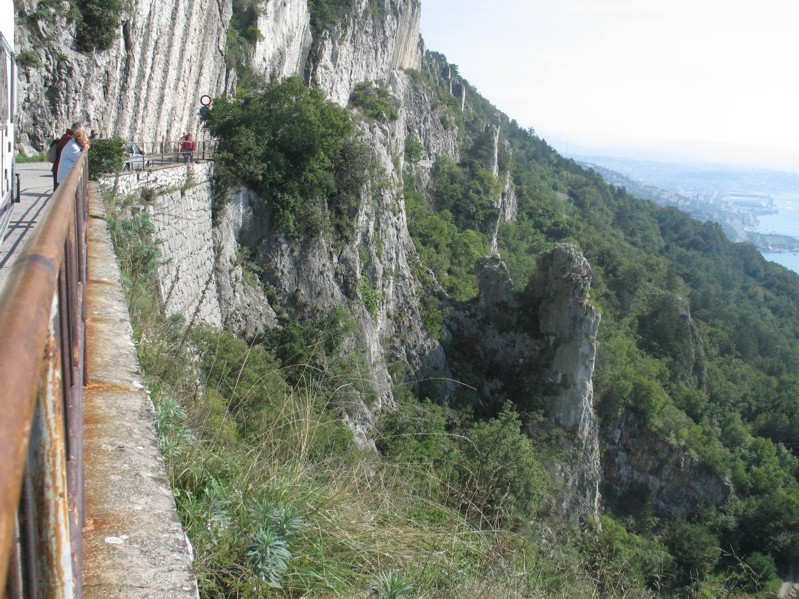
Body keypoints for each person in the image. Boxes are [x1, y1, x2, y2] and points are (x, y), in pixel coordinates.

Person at [51, 126, 73, 191]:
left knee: (57, 189)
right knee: (59, 191)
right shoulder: (69, 139)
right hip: (61, 167)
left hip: (57, 166)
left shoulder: (64, 137)